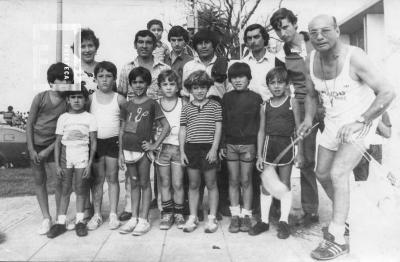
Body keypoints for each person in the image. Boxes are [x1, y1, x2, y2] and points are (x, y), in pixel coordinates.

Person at [298, 14, 395, 260]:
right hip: (332, 123)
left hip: (359, 122)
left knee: (338, 173)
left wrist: (360, 121)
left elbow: (388, 91)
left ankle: (338, 236)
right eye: (313, 32)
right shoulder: (310, 60)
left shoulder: (355, 57)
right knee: (321, 173)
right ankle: (347, 217)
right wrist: (308, 120)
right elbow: (310, 95)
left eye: (325, 30)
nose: (319, 36)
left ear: (338, 31)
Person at [270, 8, 323, 226]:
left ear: (294, 24)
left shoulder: (316, 41)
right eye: (278, 29)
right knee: (306, 159)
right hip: (303, 104)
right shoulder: (281, 55)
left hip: (328, 101)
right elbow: (283, 85)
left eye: (285, 26)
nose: (283, 32)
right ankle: (311, 210)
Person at [118, 30, 170, 222]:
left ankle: (159, 207)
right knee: (133, 174)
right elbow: (122, 93)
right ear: (135, 44)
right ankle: (132, 208)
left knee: (156, 171)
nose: (144, 45)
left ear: (155, 45)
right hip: (134, 122)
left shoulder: (163, 67)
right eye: (140, 42)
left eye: (149, 42)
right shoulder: (126, 68)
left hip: (155, 119)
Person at [251, 67, 302, 239]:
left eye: (280, 82)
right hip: (268, 146)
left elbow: (299, 129)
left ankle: (284, 221)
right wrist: (259, 155)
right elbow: (261, 131)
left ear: (287, 84)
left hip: (286, 145)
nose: (277, 86)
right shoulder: (264, 105)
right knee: (267, 184)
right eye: (272, 83)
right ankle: (264, 221)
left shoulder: (292, 102)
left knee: (285, 183)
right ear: (268, 86)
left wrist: (299, 152)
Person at [26, 62, 71, 235]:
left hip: (55, 146)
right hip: (36, 145)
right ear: (52, 82)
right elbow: (29, 124)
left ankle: (61, 217)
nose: (65, 85)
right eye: (61, 81)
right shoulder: (41, 97)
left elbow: (65, 131)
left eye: (68, 81)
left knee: (58, 181)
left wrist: (48, 150)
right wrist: (31, 149)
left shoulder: (67, 101)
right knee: (39, 181)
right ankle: (46, 217)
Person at [48, 86, 97, 238]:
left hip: (82, 157)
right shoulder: (63, 118)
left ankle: (80, 222)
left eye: (80, 97)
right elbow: (57, 143)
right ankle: (61, 223)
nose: (76, 100)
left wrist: (89, 164)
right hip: (66, 158)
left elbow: (93, 142)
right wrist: (57, 164)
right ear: (67, 100)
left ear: (85, 99)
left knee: (81, 189)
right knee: (65, 189)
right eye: (73, 97)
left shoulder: (90, 117)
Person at [220, 62, 262, 233]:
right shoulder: (227, 98)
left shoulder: (256, 98)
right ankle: (235, 214)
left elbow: (260, 125)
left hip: (248, 145)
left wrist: (258, 149)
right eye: (234, 77)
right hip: (230, 144)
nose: (237, 80)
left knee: (246, 180)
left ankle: (246, 214)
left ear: (249, 78)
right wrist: (222, 144)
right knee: (233, 179)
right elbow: (222, 122)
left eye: (241, 77)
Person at [179, 70, 222, 233]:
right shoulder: (187, 108)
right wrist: (183, 152)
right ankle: (193, 216)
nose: (199, 91)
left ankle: (211, 218)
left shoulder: (215, 106)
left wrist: (214, 149)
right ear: (190, 90)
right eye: (195, 88)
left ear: (208, 88)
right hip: (192, 148)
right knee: (194, 184)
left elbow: (218, 128)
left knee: (211, 183)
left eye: (203, 87)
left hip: (208, 148)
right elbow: (183, 130)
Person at [86, 61, 126, 231]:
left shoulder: (120, 99)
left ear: (115, 78)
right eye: (101, 76)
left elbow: (124, 125)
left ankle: (113, 215)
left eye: (108, 76)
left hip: (113, 142)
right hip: (96, 144)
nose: (104, 80)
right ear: (95, 79)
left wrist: (122, 150)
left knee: (112, 178)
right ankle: (96, 214)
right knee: (97, 180)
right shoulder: (90, 99)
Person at [155, 70, 187, 230]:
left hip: (178, 147)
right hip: (162, 148)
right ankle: (167, 213)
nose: (168, 87)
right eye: (165, 84)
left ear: (177, 86)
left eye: (172, 84)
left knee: (178, 183)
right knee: (165, 182)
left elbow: (187, 126)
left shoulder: (183, 103)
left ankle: (179, 213)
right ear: (160, 87)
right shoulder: (156, 103)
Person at [353, 111, 391, 181]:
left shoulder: (382, 111)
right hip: (360, 147)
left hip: (375, 148)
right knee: (361, 181)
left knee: (377, 179)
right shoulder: (357, 108)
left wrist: (375, 118)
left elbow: (388, 134)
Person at [241, 24, 275, 102]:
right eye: (249, 38)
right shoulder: (243, 63)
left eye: (256, 37)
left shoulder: (275, 61)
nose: (252, 41)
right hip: (250, 109)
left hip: (271, 109)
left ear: (264, 38)